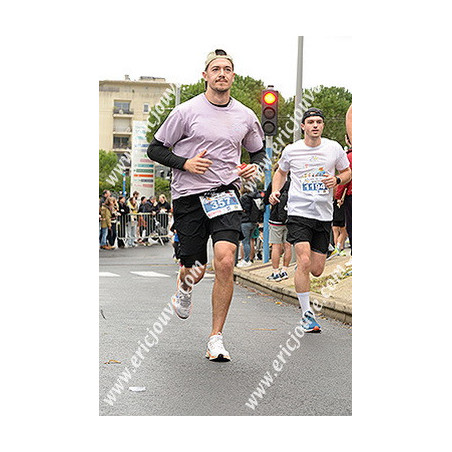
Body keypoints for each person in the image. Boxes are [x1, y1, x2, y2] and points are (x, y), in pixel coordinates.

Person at [147, 49, 266, 361]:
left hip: (225, 194)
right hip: (189, 196)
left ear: (233, 76)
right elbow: (155, 149)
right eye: (216, 69)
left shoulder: (245, 115)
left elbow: (258, 151)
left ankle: (216, 338)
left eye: (227, 69)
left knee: (225, 261)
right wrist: (185, 163)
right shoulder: (185, 112)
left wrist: (254, 167)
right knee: (196, 270)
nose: (221, 74)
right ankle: (184, 287)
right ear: (205, 75)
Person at [269, 107, 352, 332]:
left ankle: (303, 274)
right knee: (304, 261)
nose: (315, 125)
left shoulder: (333, 148)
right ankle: (306, 314)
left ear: (322, 126)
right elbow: (280, 172)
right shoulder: (292, 150)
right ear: (303, 126)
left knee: (316, 269)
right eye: (311, 122)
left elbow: (347, 172)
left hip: (323, 214)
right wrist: (275, 191)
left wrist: (337, 180)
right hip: (298, 212)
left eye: (319, 122)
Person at [263, 173, 292, 281]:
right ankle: (284, 270)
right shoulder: (292, 183)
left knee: (276, 246)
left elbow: (266, 200)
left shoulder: (274, 184)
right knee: (288, 246)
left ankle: (275, 272)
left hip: (275, 219)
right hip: (289, 219)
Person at [237, 187, 262, 268]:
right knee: (251, 241)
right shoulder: (253, 197)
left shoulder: (244, 198)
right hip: (253, 222)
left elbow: (243, 209)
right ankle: (250, 259)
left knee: (245, 242)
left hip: (245, 222)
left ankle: (246, 260)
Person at [337, 133, 352, 261]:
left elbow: (345, 179)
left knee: (351, 225)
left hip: (351, 195)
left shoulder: (349, 157)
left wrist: (338, 196)